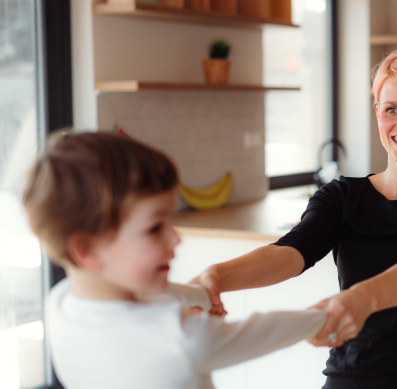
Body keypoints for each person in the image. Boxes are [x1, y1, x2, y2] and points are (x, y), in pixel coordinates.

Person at [190, 49, 397, 389]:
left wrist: (360, 300)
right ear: (377, 113)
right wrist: (218, 276)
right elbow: (291, 251)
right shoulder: (342, 195)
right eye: (392, 109)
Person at [23, 132, 327, 389]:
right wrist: (326, 315)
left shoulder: (61, 302)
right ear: (87, 249)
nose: (176, 238)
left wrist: (203, 298)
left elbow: (155, 297)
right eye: (155, 228)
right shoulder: (179, 336)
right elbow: (267, 329)